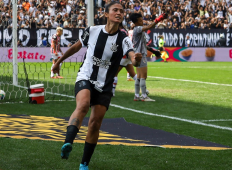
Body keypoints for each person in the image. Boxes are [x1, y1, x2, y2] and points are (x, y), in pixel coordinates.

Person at [52, 2, 142, 170]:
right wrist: (58, 62)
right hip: (85, 76)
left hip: (106, 84)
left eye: (121, 11)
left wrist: (136, 59)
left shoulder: (123, 38)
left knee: (95, 123)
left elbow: (132, 57)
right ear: (106, 14)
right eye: (115, 10)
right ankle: (68, 143)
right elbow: (75, 47)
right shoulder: (92, 30)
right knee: (84, 104)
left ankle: (84, 164)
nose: (119, 13)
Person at [130, 12, 166, 102]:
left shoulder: (137, 29)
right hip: (141, 55)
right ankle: (144, 96)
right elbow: (149, 27)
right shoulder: (138, 28)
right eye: (141, 20)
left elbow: (144, 44)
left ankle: (137, 95)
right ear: (136, 22)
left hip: (137, 54)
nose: (142, 22)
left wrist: (153, 50)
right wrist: (158, 20)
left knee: (138, 76)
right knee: (143, 76)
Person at [112, 23, 138, 96]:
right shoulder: (125, 31)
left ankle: (112, 92)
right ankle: (144, 90)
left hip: (124, 55)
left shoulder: (122, 32)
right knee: (133, 74)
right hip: (129, 53)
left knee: (114, 73)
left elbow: (122, 43)